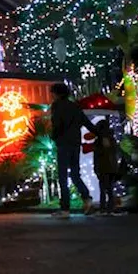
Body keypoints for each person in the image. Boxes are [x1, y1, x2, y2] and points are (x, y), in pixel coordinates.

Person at [50, 82, 97, 218]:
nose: (51, 96)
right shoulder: (75, 106)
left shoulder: (57, 106)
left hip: (63, 144)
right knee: (75, 174)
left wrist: (54, 136)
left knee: (63, 176)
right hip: (75, 144)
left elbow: (58, 125)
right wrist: (101, 134)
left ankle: (65, 209)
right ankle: (87, 198)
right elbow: (86, 122)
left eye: (52, 93)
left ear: (56, 94)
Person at [92, 118, 122, 214]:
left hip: (103, 167)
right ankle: (109, 207)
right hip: (112, 167)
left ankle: (103, 208)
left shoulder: (99, 141)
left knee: (103, 188)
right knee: (109, 188)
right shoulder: (111, 139)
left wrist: (95, 168)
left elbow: (97, 156)